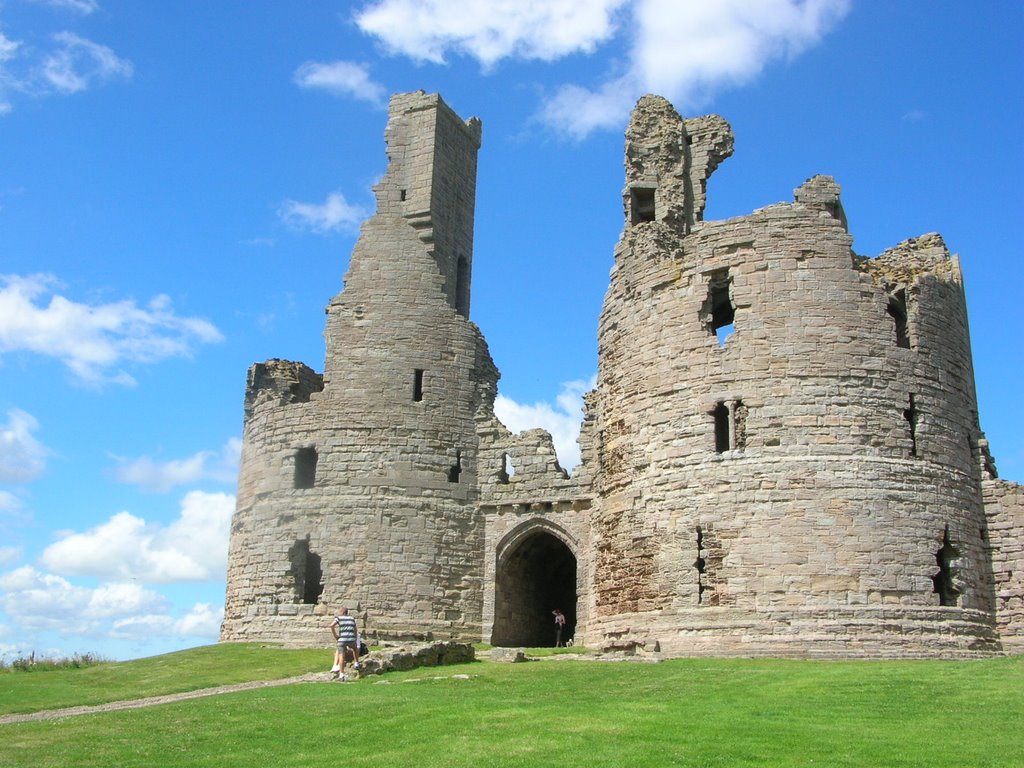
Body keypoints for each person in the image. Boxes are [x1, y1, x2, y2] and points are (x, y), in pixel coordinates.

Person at [330, 607, 360, 680]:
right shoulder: (352, 618)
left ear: (342, 612)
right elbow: (355, 629)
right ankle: (356, 663)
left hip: (342, 640)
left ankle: (341, 674)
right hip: (351, 639)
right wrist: (355, 638)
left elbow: (331, 625)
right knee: (355, 648)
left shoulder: (339, 618)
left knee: (341, 655)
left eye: (340, 611)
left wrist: (335, 635)